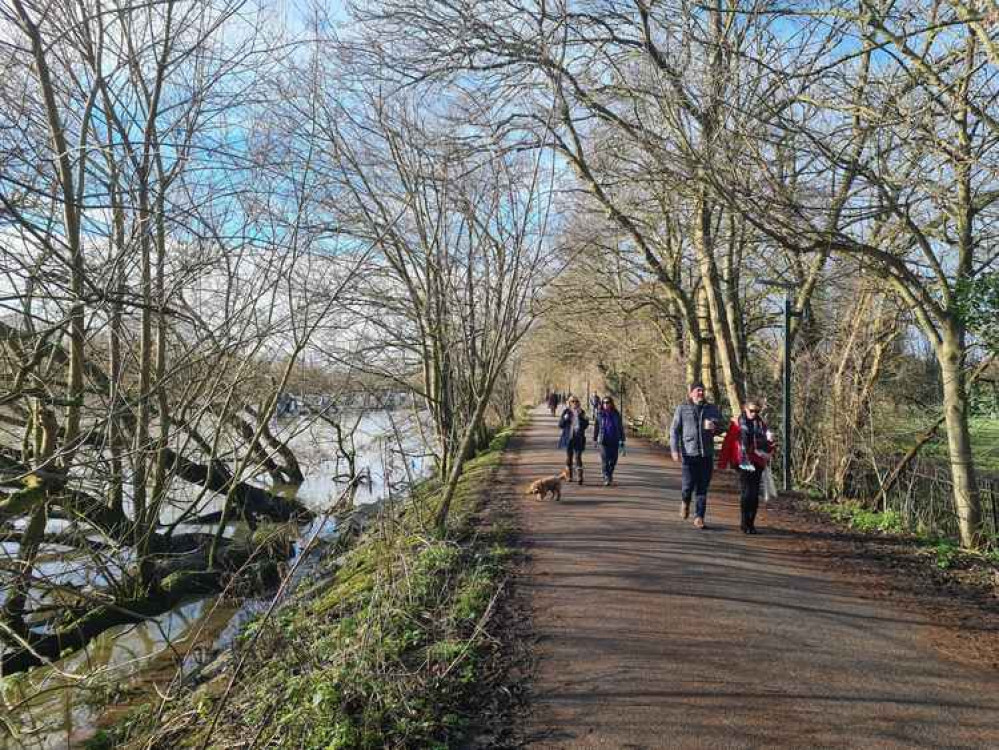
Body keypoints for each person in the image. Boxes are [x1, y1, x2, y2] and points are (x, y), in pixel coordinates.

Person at [670, 382, 725, 529]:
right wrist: (674, 450)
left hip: (706, 454)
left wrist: (716, 427)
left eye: (702, 390)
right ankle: (685, 501)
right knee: (688, 486)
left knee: (702, 487)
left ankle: (699, 517)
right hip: (689, 454)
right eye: (697, 390)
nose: (700, 393)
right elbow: (674, 431)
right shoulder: (682, 409)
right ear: (691, 393)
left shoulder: (711, 408)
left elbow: (722, 427)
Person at [734, 400, 775, 534]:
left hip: (758, 460)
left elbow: (768, 442)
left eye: (757, 411)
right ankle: (744, 522)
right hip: (744, 460)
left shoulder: (761, 424)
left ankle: (751, 523)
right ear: (745, 409)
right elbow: (734, 441)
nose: (754, 414)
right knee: (747, 492)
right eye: (751, 411)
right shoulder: (739, 423)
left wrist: (769, 444)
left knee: (754, 493)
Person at [593, 395, 625, 486]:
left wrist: (622, 439)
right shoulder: (600, 414)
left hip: (614, 439)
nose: (605, 404)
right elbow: (596, 427)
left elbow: (620, 427)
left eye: (607, 402)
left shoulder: (616, 414)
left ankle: (609, 474)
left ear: (611, 404)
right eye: (604, 403)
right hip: (604, 440)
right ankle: (606, 476)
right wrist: (595, 439)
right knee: (605, 459)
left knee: (613, 460)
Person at [558, 395, 589, 485]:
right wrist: (565, 418)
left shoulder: (582, 412)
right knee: (569, 457)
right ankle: (569, 475)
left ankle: (580, 476)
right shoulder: (566, 412)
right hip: (569, 438)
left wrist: (583, 419)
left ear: (578, 403)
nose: (574, 403)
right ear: (569, 403)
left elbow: (585, 425)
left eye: (576, 401)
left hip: (579, 438)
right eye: (572, 401)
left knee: (578, 457)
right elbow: (560, 425)